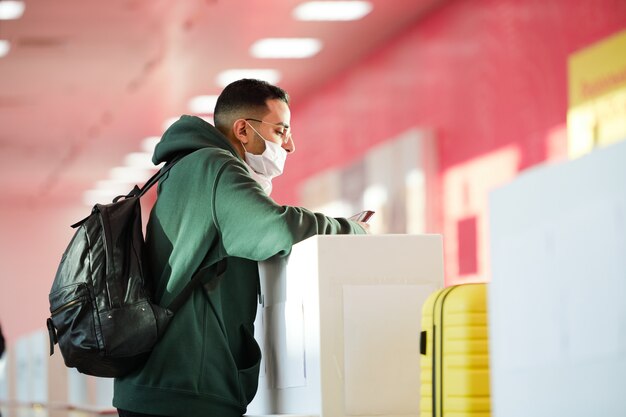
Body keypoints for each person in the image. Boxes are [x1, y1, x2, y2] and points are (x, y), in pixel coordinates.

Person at [113, 79, 368, 417]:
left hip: (162, 382)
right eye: (280, 130)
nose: (289, 145)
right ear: (244, 130)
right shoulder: (216, 166)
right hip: (187, 388)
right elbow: (274, 228)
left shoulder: (183, 167)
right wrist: (349, 228)